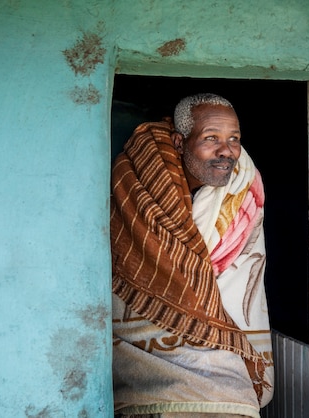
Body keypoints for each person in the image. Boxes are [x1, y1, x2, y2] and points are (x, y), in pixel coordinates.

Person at [110, 93, 274, 418]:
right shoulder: (142, 181)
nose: (226, 151)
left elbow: (242, 274)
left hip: (216, 325)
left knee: (232, 393)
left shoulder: (243, 185)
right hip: (146, 329)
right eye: (211, 138)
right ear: (179, 141)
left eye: (234, 139)